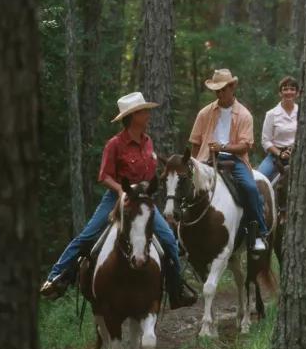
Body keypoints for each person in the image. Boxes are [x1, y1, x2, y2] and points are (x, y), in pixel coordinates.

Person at [40, 92, 198, 308]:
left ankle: (176, 288)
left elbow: (149, 174)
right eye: (144, 111)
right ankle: (56, 277)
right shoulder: (114, 144)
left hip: (143, 199)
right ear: (133, 116)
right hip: (116, 196)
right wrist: (122, 192)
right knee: (87, 237)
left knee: (169, 240)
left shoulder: (148, 142)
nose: (148, 114)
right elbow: (104, 176)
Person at [188, 69, 269, 252]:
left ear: (233, 87)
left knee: (249, 187)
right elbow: (195, 142)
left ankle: (258, 232)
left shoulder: (244, 115)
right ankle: (182, 234)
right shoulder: (205, 113)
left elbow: (245, 146)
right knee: (184, 187)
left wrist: (222, 148)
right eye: (217, 90)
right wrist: (193, 164)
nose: (219, 93)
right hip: (206, 158)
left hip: (235, 159)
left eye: (223, 89)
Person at [259, 76, 299, 180]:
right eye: (285, 89)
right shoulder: (271, 114)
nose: (289, 92)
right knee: (259, 179)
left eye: (292, 89)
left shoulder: (302, 112)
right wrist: (280, 154)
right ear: (280, 93)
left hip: (298, 155)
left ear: (297, 93)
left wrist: (293, 151)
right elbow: (265, 141)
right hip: (275, 157)